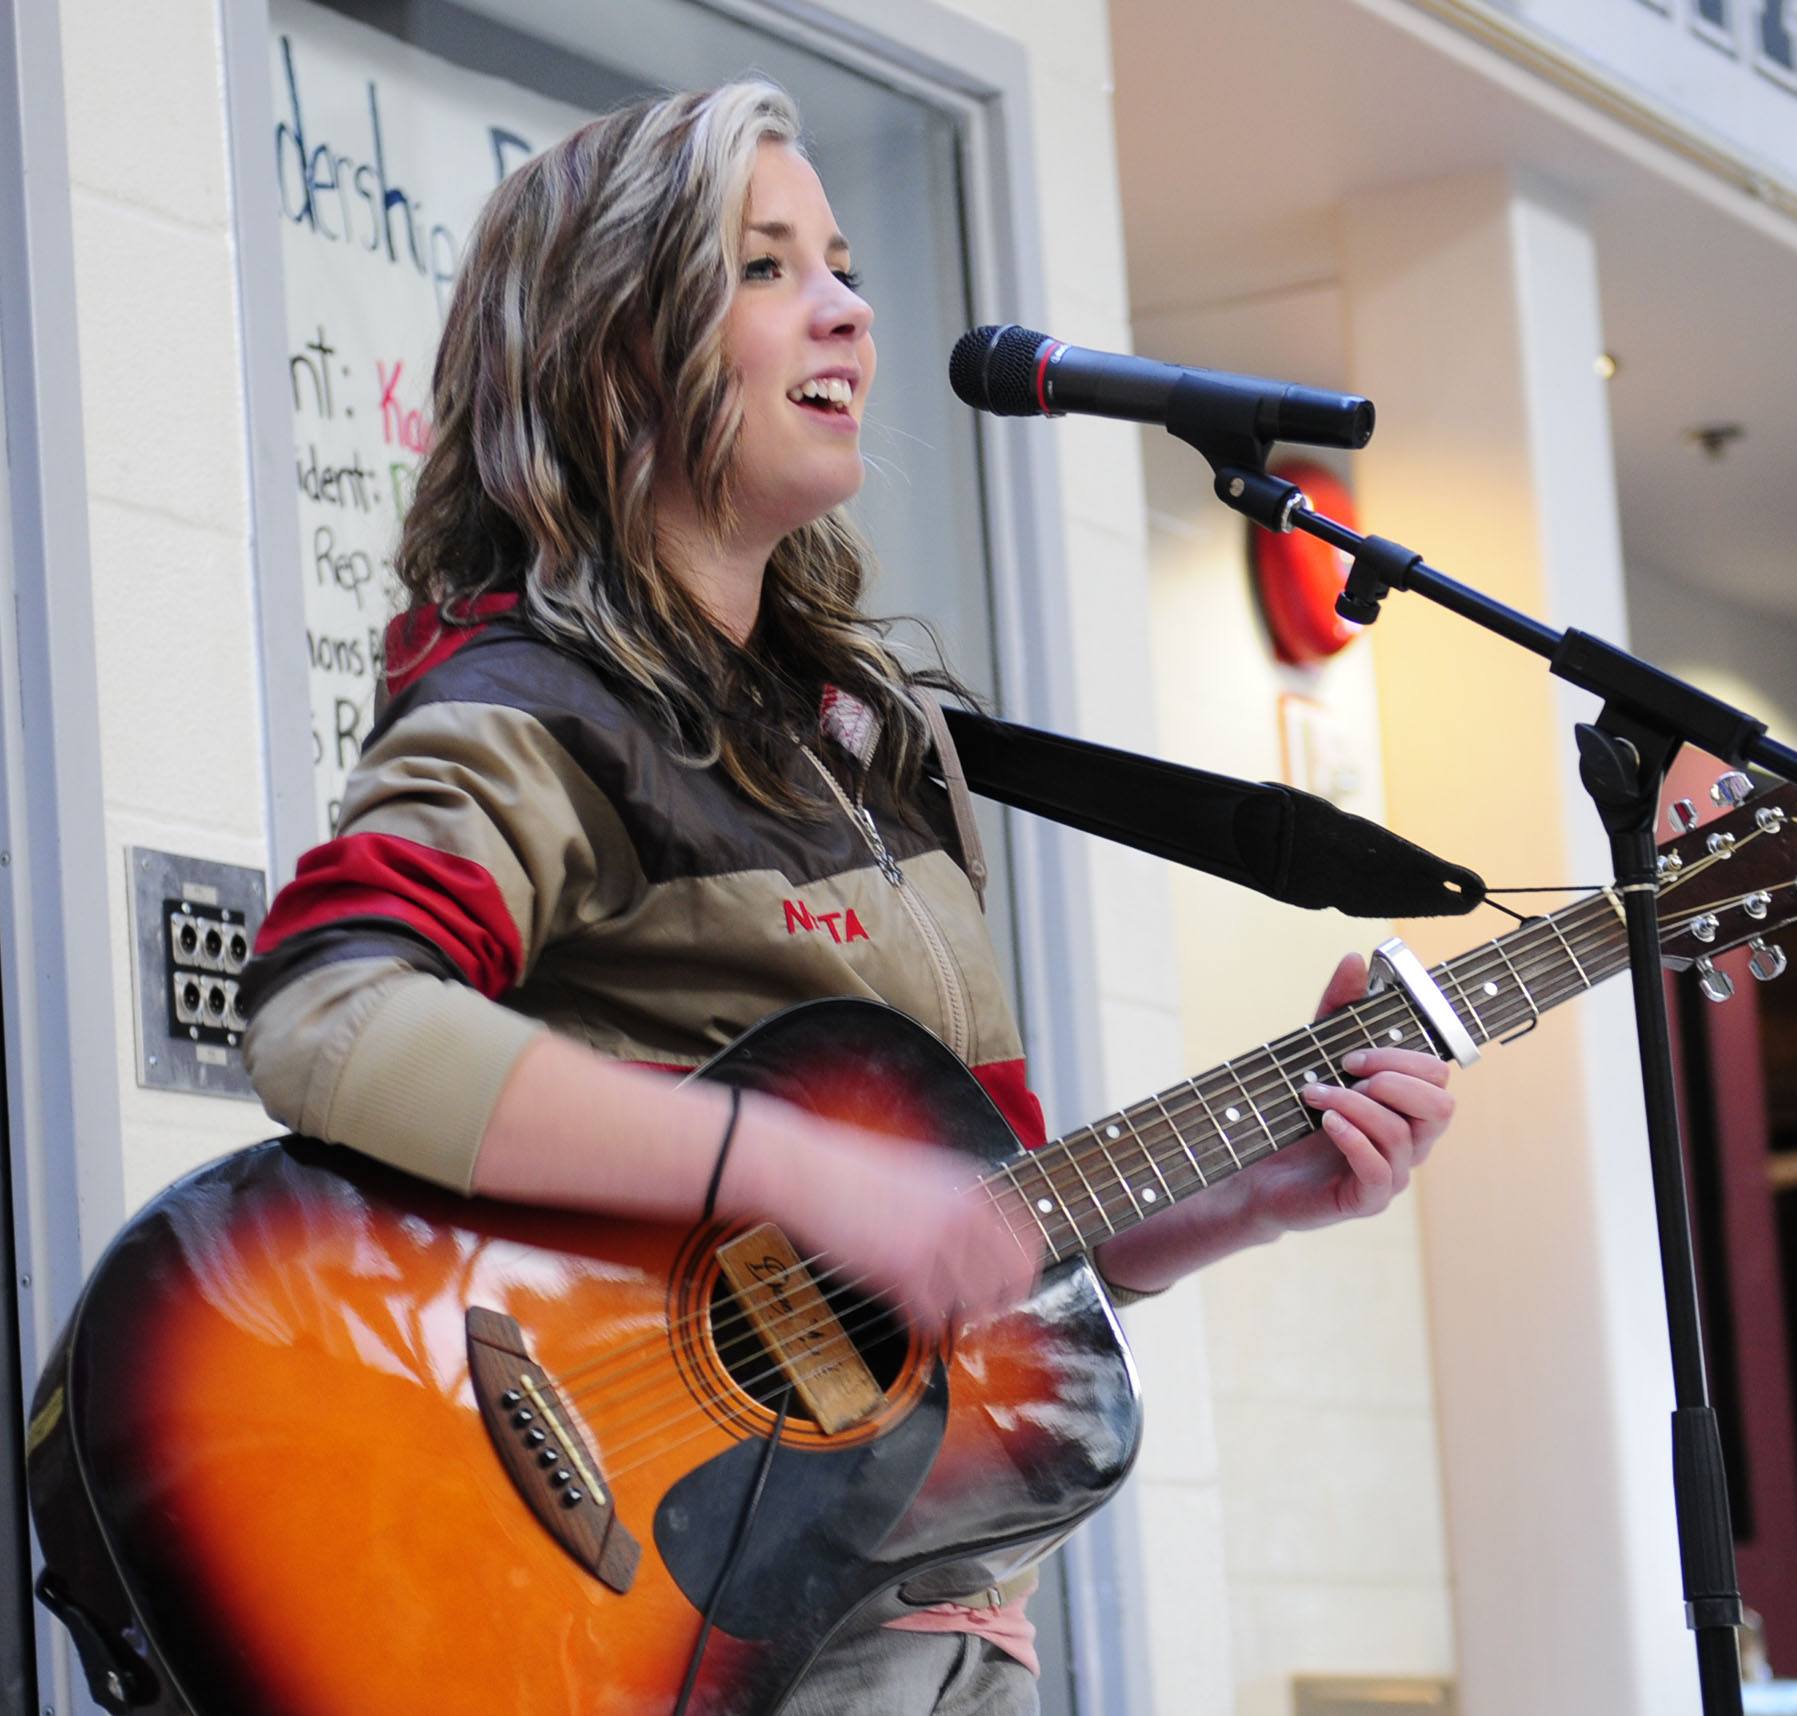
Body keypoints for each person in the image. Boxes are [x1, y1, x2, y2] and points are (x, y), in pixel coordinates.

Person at [242, 79, 1455, 1716]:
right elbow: (331, 1012)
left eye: (844, 262)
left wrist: (1262, 1191)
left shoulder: (876, 744)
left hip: (948, 1630)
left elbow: (982, 1230)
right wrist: (795, 1169)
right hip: (670, 1626)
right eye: (763, 268)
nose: (849, 309)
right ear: (615, 346)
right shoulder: (534, 704)